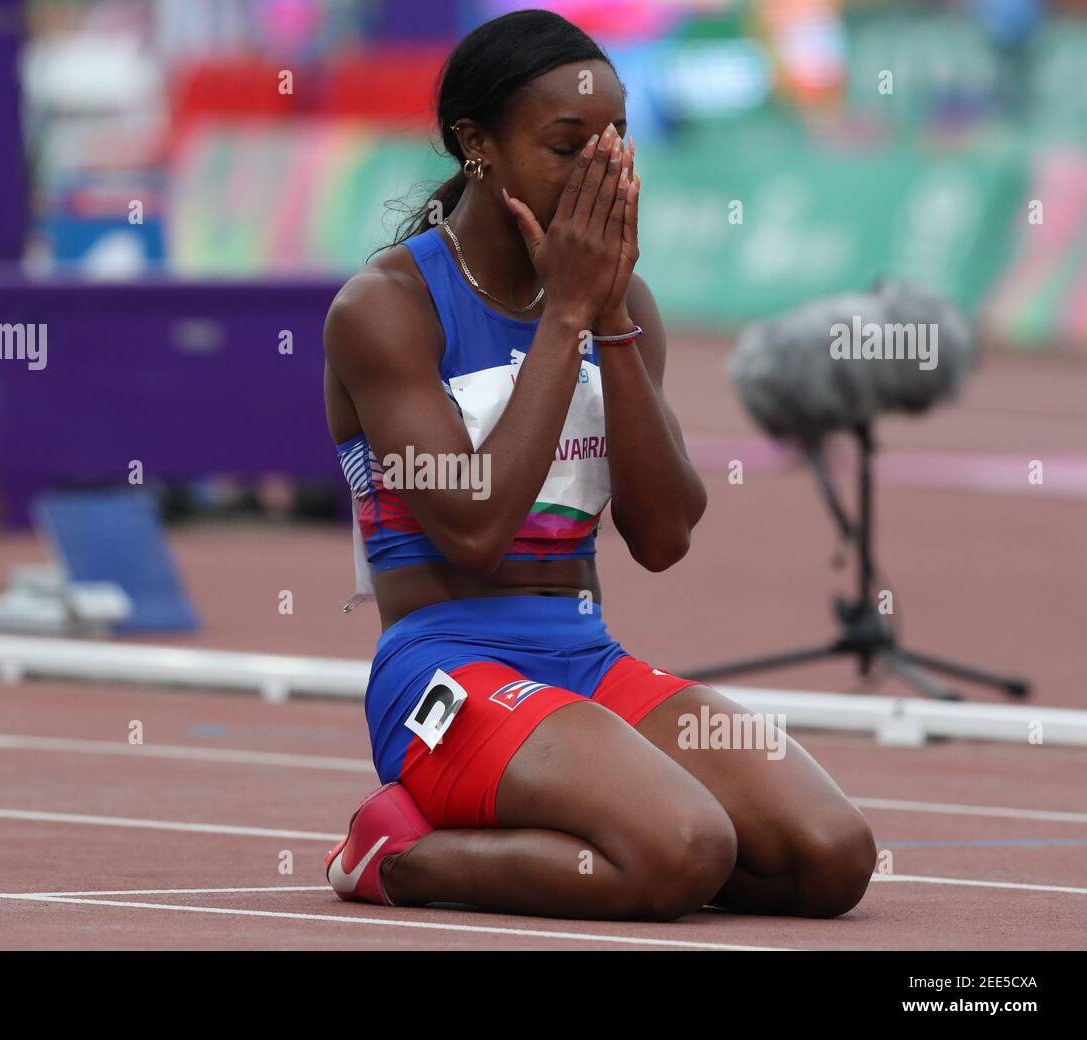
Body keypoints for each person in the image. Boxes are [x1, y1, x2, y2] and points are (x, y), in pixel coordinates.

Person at [321, 8, 876, 921]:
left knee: (831, 857)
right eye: (567, 142)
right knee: (681, 848)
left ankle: (612, 836)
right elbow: (472, 528)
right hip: (446, 674)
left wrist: (606, 318)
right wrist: (566, 316)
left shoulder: (625, 305)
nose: (601, 166)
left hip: (584, 658)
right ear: (477, 146)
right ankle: (401, 854)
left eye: (616, 139)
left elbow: (662, 538)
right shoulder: (385, 307)